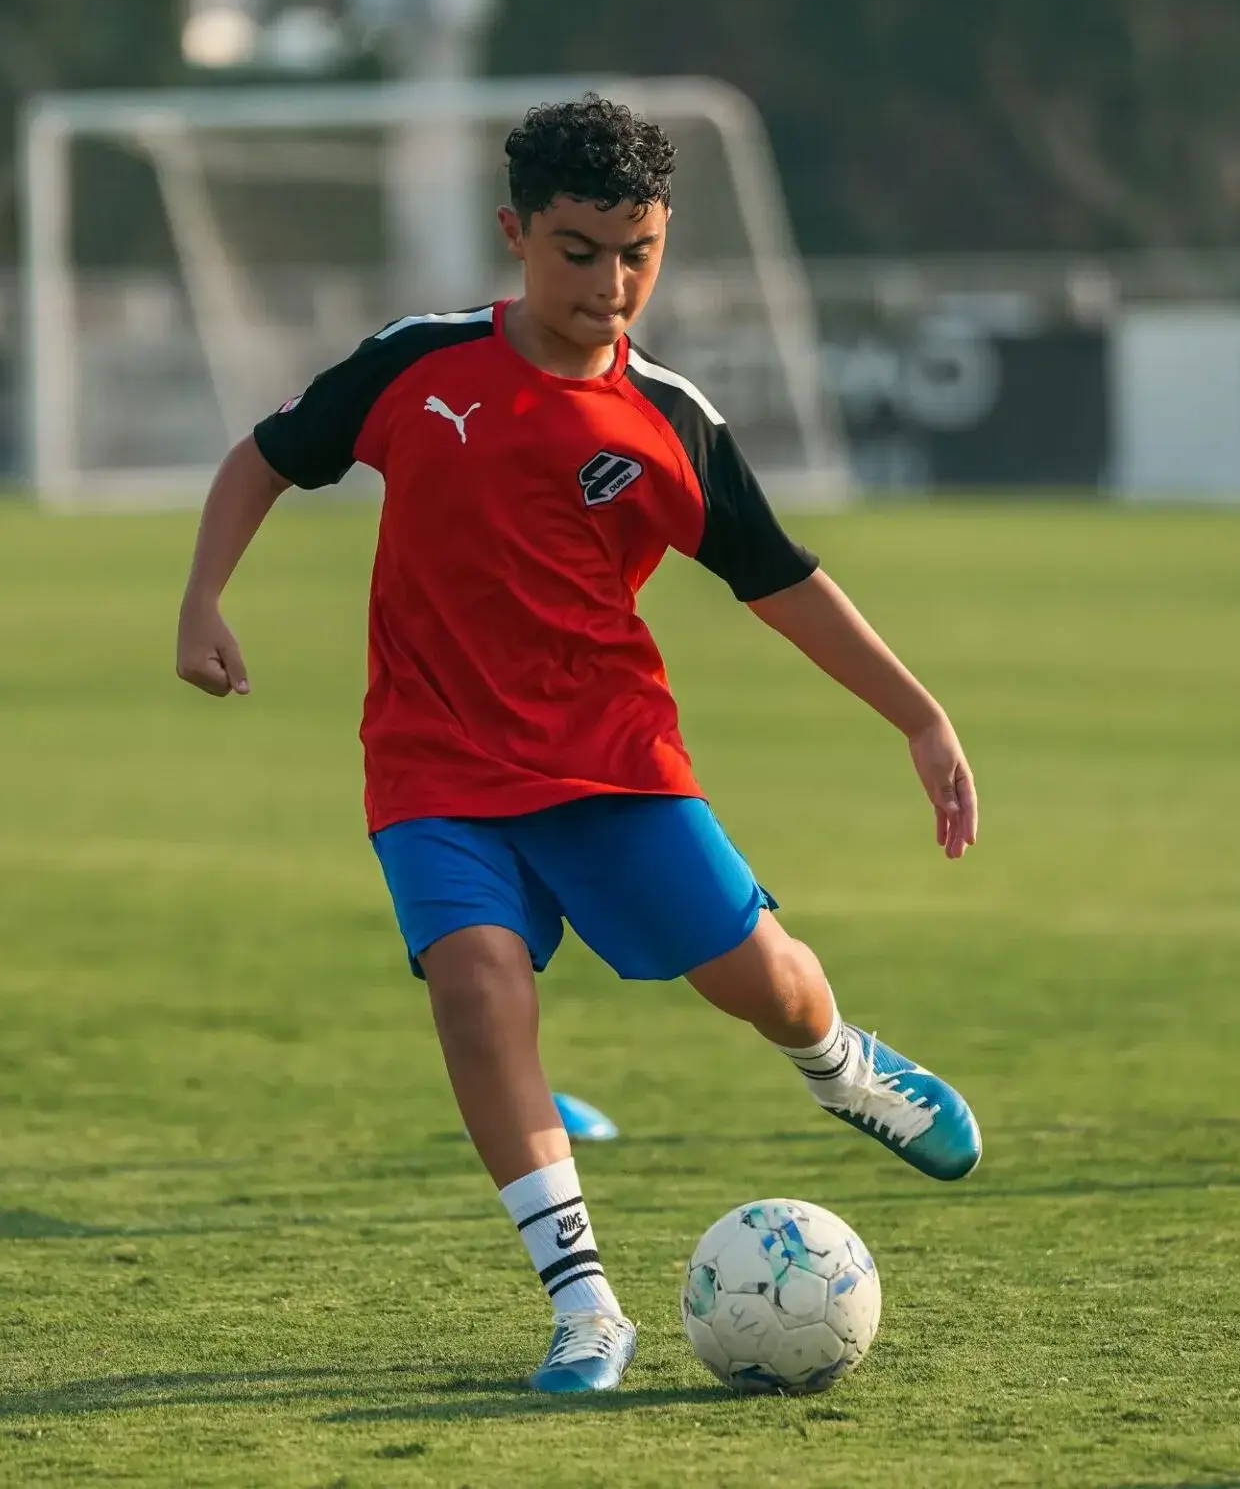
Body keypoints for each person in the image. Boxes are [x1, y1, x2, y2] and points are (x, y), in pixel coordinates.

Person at [176, 94, 981, 1396]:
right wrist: (200, 599)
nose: (612, 286)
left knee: (765, 984)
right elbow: (265, 458)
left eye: (639, 253)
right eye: (579, 252)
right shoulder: (416, 365)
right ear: (516, 234)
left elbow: (780, 580)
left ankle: (845, 1070)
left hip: (612, 764)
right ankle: (586, 1309)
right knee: (478, 992)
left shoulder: (670, 418)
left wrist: (921, 715)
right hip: (432, 767)